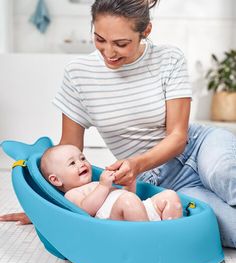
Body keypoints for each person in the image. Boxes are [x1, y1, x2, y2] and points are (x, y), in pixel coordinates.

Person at [0, 0, 235, 247]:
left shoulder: (169, 58)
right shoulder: (78, 73)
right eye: (100, 39)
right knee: (223, 226)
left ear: (146, 31)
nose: (109, 52)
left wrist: (135, 163)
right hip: (162, 183)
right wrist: (51, 210)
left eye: (121, 44)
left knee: (223, 175)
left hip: (199, 147)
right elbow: (68, 150)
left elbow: (178, 136)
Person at [39, 144, 182, 221]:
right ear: (56, 180)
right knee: (128, 201)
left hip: (138, 214)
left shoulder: (97, 184)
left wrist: (130, 183)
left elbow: (129, 197)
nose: (81, 164)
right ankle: (150, 241)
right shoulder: (72, 194)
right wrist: (103, 186)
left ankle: (171, 234)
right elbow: (86, 210)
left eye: (82, 158)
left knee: (170, 195)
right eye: (72, 163)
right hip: (115, 221)